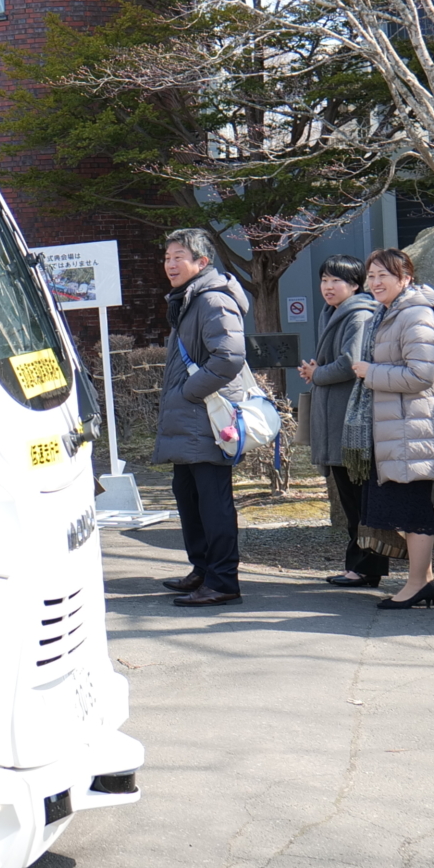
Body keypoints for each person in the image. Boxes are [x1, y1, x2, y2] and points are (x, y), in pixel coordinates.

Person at [153, 228, 256, 608]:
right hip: (190, 421)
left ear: (202, 262)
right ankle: (203, 569)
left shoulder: (212, 299)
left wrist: (188, 392)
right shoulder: (189, 299)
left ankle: (223, 580)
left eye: (179, 257)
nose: (170, 264)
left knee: (213, 503)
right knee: (189, 498)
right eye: (167, 258)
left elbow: (229, 357)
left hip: (206, 420)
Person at [352, 249, 434, 609]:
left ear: (405, 279)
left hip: (414, 428)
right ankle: (422, 581)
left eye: (383, 275)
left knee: (411, 511)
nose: (375, 282)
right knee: (399, 509)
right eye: (371, 276)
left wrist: (371, 373)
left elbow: (422, 374)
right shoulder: (387, 312)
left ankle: (417, 584)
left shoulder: (415, 314)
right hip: (395, 428)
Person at [298, 255, 384, 589]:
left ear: (355, 285)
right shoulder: (333, 312)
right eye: (324, 280)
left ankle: (365, 568)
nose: (328, 287)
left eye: (337, 281)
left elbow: (350, 362)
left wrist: (317, 373)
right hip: (337, 419)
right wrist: (316, 371)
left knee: (358, 500)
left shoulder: (358, 314)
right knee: (351, 500)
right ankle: (359, 567)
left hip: (351, 425)